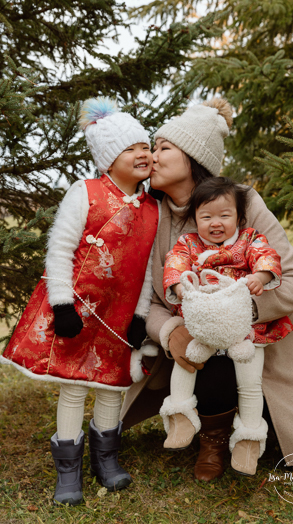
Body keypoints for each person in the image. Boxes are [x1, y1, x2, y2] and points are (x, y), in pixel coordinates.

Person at [119, 97, 293, 481]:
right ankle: (214, 438)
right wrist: (170, 332)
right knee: (203, 351)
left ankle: (262, 421)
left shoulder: (243, 202)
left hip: (264, 345)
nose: (152, 157)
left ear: (193, 157)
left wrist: (237, 311)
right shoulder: (150, 214)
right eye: (152, 148)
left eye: (163, 148)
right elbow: (152, 302)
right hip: (200, 346)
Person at [1, 98, 159, 505]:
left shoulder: (152, 210)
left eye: (146, 145)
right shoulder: (85, 193)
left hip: (120, 316)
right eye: (131, 148)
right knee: (74, 385)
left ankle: (106, 460)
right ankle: (68, 472)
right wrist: (61, 305)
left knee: (112, 386)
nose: (143, 153)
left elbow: (144, 269)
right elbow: (60, 250)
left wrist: (140, 315)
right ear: (109, 159)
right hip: (79, 308)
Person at [160, 177, 293, 477]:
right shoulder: (189, 244)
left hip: (241, 329)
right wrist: (179, 286)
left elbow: (267, 256)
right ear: (195, 218)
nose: (215, 223)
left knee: (249, 380)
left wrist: (261, 277)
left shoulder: (248, 239)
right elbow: (175, 263)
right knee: (187, 361)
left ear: (238, 216)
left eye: (224, 215)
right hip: (203, 327)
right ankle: (180, 415)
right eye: (206, 216)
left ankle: (248, 437)